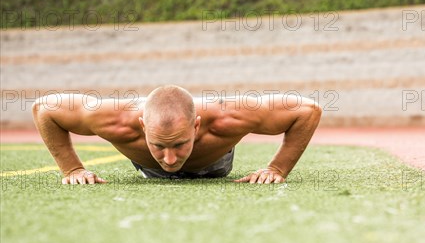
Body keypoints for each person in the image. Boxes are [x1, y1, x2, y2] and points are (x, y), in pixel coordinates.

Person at [32, 85, 322, 185]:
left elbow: (307, 110)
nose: (169, 159)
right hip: (146, 169)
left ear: (196, 126)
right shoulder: (114, 120)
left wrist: (277, 168)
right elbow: (44, 108)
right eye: (159, 145)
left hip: (214, 165)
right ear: (143, 127)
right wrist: (72, 168)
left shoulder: (230, 116)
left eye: (180, 144)